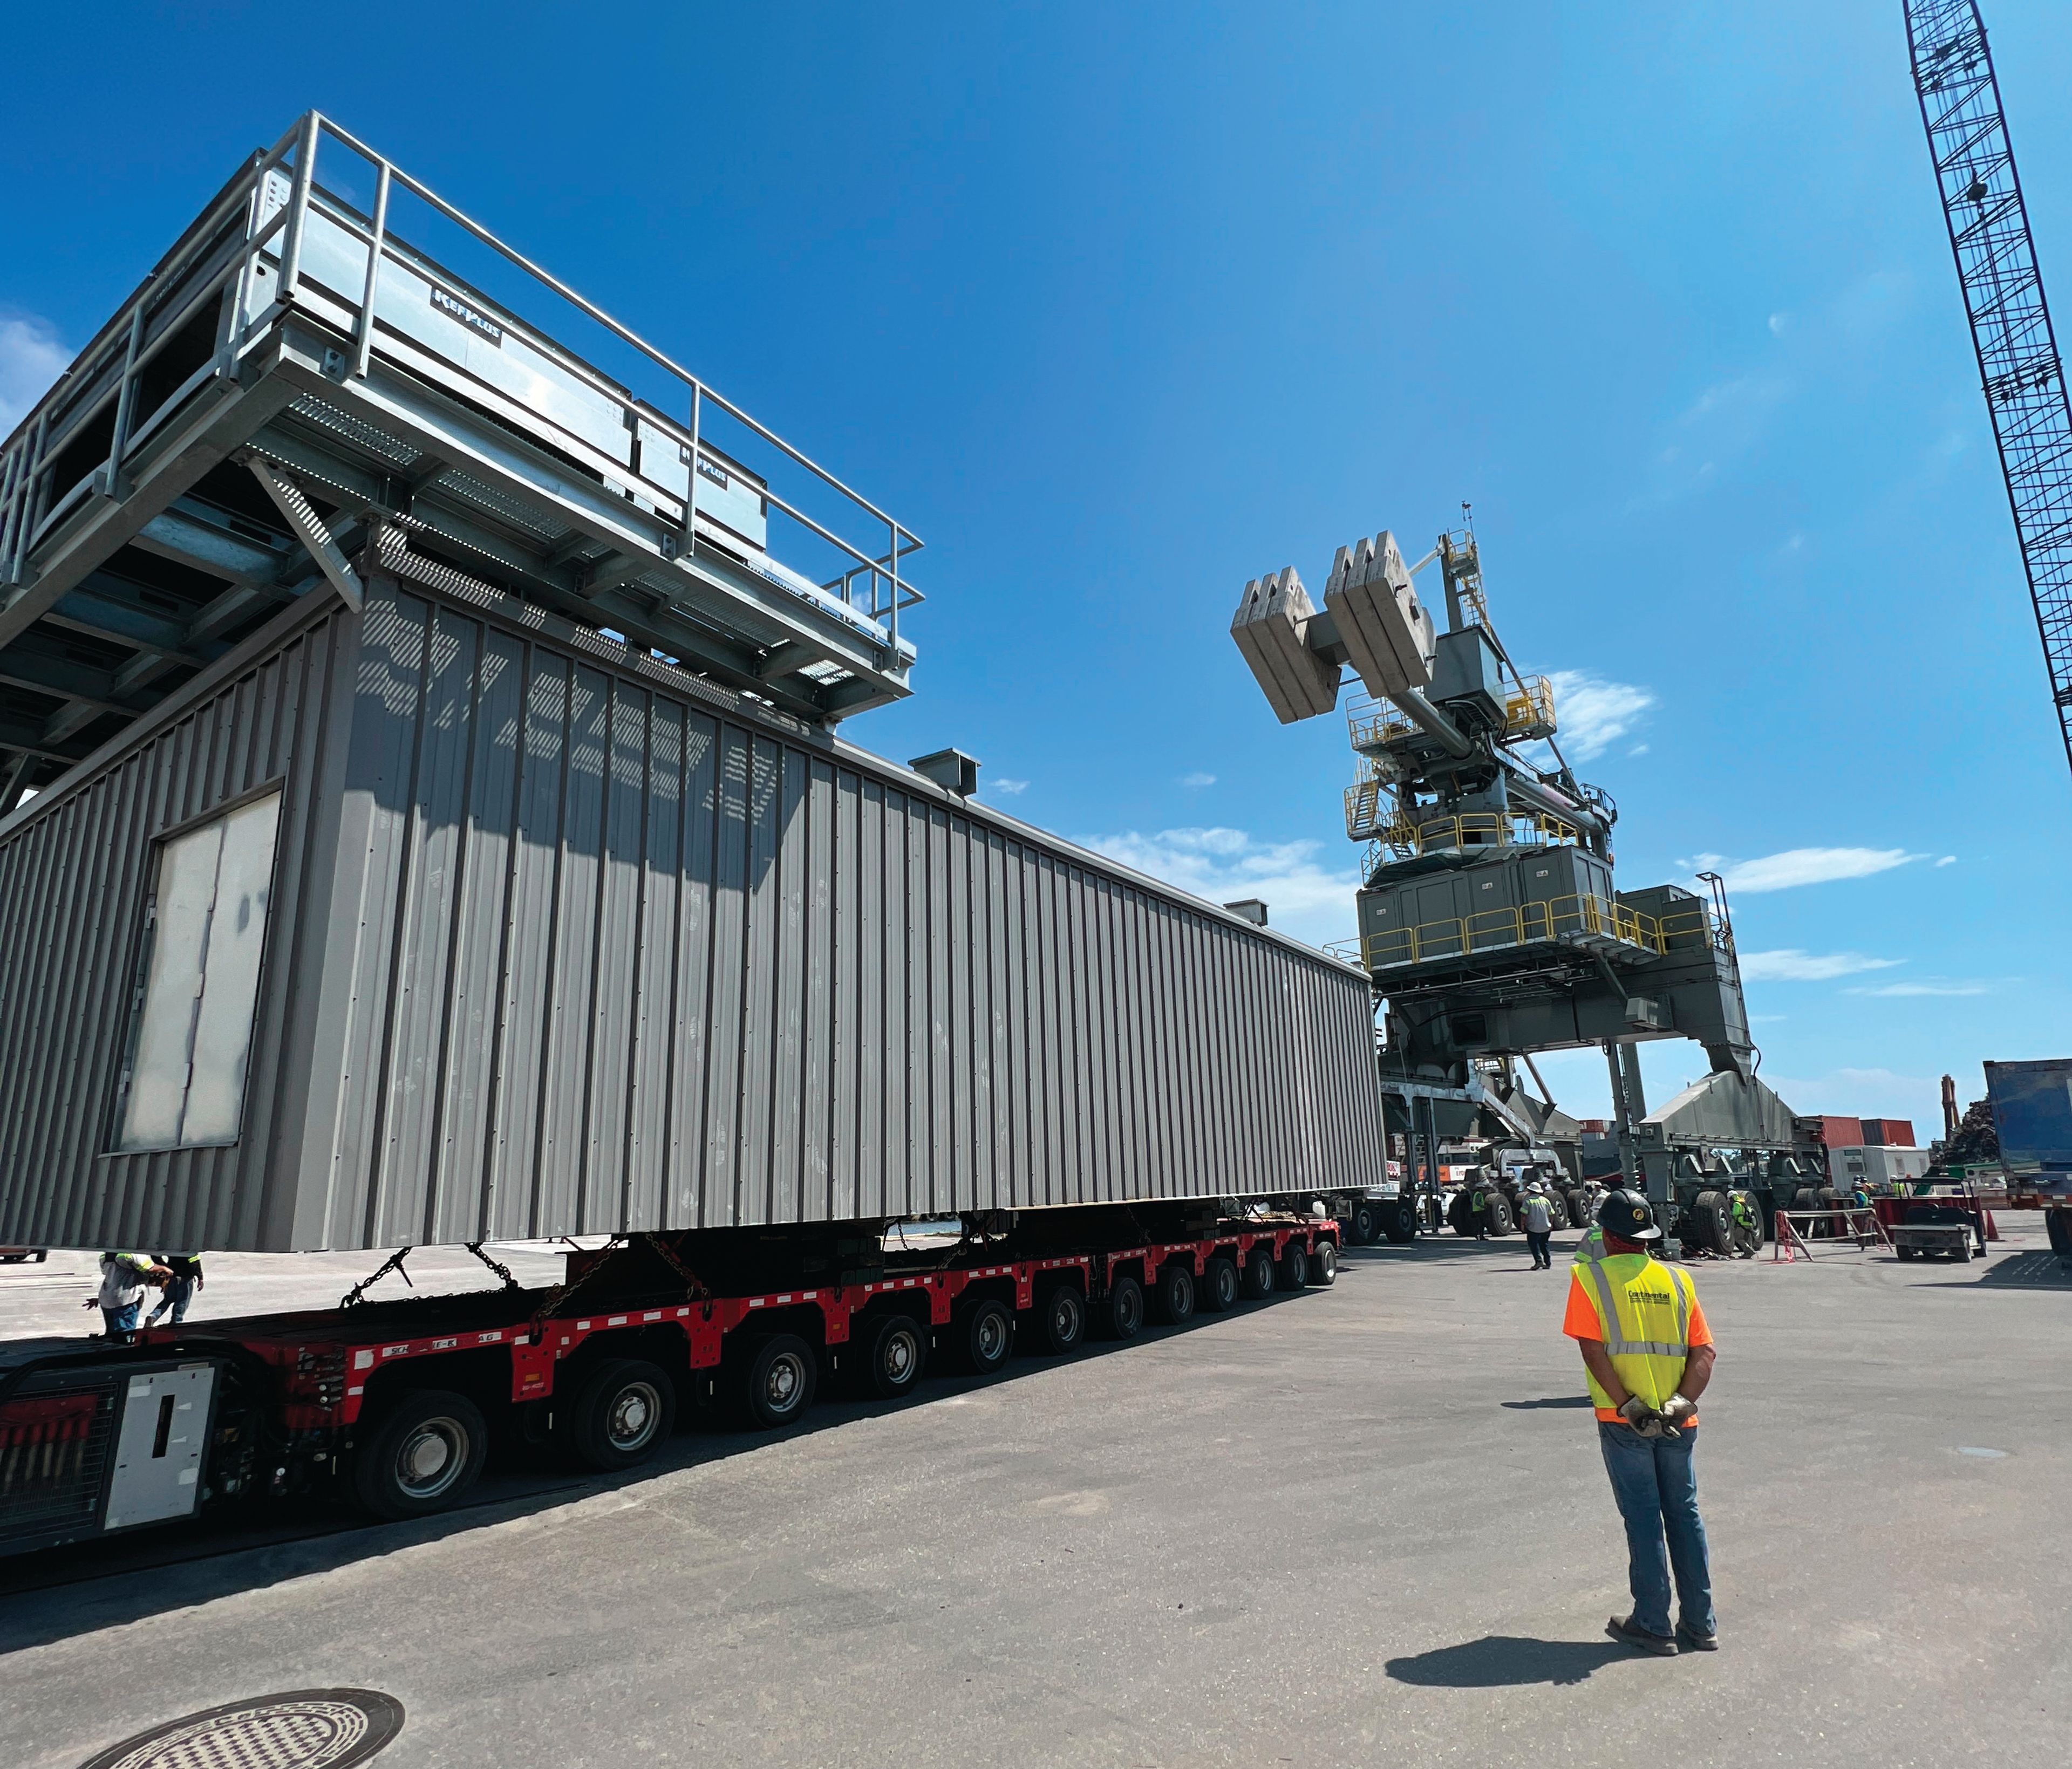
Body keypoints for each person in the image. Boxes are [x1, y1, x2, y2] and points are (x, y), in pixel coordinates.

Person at [1563, 1189, 1718, 1656]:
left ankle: (1653, 1623)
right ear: (1647, 1235)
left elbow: (1592, 1349)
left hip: (1625, 1422)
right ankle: (1701, 1624)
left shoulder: (1589, 1278)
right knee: (1685, 1515)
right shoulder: (1678, 1280)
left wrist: (1630, 1405)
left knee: (1645, 1517)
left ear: (1608, 1236)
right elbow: (1704, 1352)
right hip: (1677, 1424)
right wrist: (1681, 1403)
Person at [88, 1251, 171, 1338]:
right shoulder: (133, 1254)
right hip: (125, 1300)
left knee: (111, 1333)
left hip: (106, 1299)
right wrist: (166, 1269)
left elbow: (113, 1275)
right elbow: (151, 1268)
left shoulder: (105, 1257)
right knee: (125, 1333)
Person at [146, 1252, 204, 1326]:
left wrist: (165, 1267)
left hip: (171, 1277)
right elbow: (195, 1262)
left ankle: (154, 1315)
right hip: (185, 1278)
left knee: (167, 1300)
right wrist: (200, 1277)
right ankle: (176, 1323)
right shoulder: (190, 1248)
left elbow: (155, 1255)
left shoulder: (174, 1247)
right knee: (182, 1302)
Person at [1520, 1183, 1554, 1269]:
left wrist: (1523, 1225)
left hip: (1533, 1227)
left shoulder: (1528, 1201)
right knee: (1544, 1245)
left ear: (1530, 1191)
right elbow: (1551, 1214)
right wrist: (1551, 1224)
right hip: (1546, 1227)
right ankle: (1548, 1263)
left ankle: (1539, 1261)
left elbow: (1524, 1215)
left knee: (1533, 1245)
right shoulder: (1546, 1200)